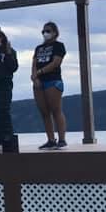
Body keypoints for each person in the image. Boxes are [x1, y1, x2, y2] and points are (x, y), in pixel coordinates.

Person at [31, 21, 67, 149]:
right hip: (39, 82)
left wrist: (40, 72)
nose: (45, 33)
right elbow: (34, 63)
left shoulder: (59, 46)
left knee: (56, 110)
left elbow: (56, 63)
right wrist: (35, 77)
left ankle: (62, 139)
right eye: (43, 31)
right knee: (44, 112)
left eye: (48, 31)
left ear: (55, 33)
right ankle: (51, 139)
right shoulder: (38, 48)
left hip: (53, 80)